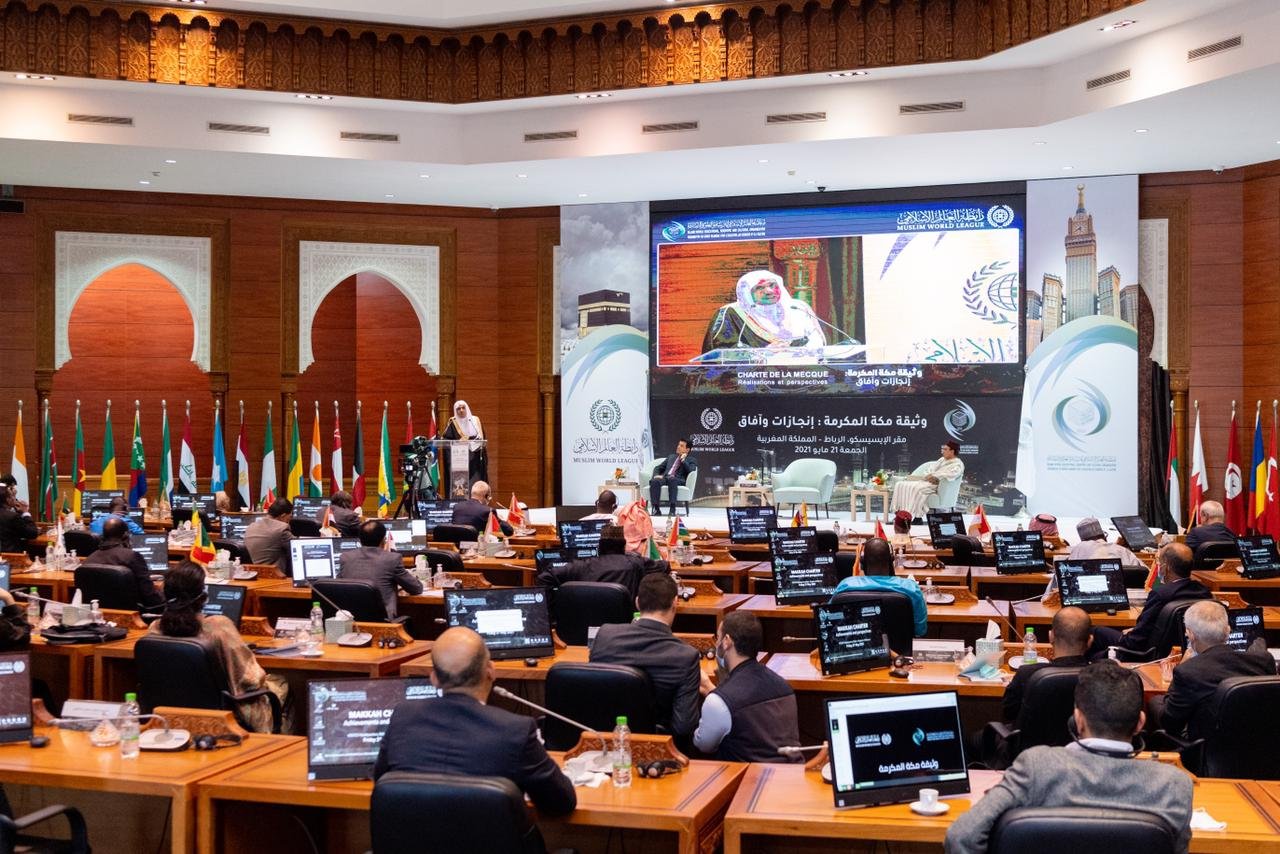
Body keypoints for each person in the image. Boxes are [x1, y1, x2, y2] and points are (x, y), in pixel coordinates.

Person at [945, 660, 1193, 854]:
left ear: (1078, 720)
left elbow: (962, 836)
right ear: (1140, 722)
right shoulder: (1174, 785)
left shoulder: (1037, 766)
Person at [372, 626, 576, 815]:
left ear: (434, 678)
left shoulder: (403, 717)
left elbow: (380, 779)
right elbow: (561, 802)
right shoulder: (515, 731)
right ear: (490, 671)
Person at [149, 561, 291, 732]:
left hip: (167, 718)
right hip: (223, 720)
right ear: (203, 596)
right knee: (283, 683)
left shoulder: (155, 628)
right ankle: (281, 744)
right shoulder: (219, 626)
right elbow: (252, 679)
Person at [589, 573, 704, 736]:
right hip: (657, 745)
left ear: (637, 602)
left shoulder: (605, 635)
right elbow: (684, 728)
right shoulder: (686, 657)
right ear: (675, 603)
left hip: (602, 737)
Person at [1148, 600, 1275, 744]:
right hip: (1263, 749)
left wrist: (1155, 699)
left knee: (1154, 706)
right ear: (1228, 631)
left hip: (1205, 753)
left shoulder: (1188, 672)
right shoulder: (1264, 661)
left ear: (1190, 635)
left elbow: (1169, 722)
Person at [693, 611, 800, 762]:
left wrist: (711, 692)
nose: (716, 644)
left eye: (718, 638)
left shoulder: (718, 701)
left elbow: (703, 744)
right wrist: (714, 689)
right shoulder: (784, 686)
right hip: (791, 771)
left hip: (748, 776)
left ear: (727, 641)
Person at [1091, 543, 1210, 659]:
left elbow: (1136, 641)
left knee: (1096, 632)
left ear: (1166, 567)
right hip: (1185, 652)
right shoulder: (1204, 591)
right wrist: (1136, 631)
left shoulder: (1161, 594)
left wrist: (1132, 633)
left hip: (1145, 653)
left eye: (1159, 563)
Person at [700, 269, 827, 353]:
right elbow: (720, 350)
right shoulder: (732, 312)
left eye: (772, 285)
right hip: (752, 379)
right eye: (759, 288)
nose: (769, 291)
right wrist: (764, 353)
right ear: (747, 293)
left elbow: (817, 340)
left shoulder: (798, 308)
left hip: (802, 373)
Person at [1001, 607, 1092, 723]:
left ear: (1051, 636)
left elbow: (1008, 713)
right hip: (1081, 735)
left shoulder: (1026, 673)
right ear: (1090, 641)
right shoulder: (1101, 675)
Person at [536, 524, 667, 599]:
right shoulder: (636, 563)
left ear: (599, 547)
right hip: (625, 630)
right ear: (623, 546)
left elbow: (544, 578)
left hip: (583, 631)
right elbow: (665, 567)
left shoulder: (581, 566)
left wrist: (554, 611)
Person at [831, 537, 927, 637]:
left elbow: (829, 623)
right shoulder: (911, 588)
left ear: (862, 563)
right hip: (901, 648)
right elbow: (920, 631)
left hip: (855, 646)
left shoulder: (845, 586)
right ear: (891, 560)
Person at [337, 520, 424, 619]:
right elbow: (416, 588)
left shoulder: (346, 557)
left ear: (359, 540)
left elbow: (340, 585)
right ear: (383, 540)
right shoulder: (392, 559)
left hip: (350, 620)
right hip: (383, 621)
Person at [88, 517, 165, 610]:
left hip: (97, 613)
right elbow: (150, 597)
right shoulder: (132, 556)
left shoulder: (90, 559)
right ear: (125, 535)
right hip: (133, 613)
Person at [890, 441, 964, 521]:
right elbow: (930, 470)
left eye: (945, 449)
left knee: (917, 489)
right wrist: (929, 476)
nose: (942, 451)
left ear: (952, 451)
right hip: (928, 481)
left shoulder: (957, 464)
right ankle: (899, 514)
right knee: (900, 485)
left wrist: (936, 477)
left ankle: (916, 517)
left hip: (937, 486)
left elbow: (952, 475)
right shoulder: (941, 460)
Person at [441, 400, 488, 486]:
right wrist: (458, 443)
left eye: (463, 408)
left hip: (475, 459)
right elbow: (446, 441)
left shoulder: (475, 421)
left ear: (467, 409)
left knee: (475, 483)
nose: (461, 410)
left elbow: (482, 439)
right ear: (455, 411)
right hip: (460, 459)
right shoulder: (453, 423)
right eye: (458, 409)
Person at [649, 439, 697, 517]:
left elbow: (691, 471)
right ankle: (656, 509)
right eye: (678, 445)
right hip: (665, 477)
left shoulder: (691, 460)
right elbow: (658, 468)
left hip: (677, 479)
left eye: (681, 446)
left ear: (687, 450)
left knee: (672, 479)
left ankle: (672, 509)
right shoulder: (671, 457)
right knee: (655, 481)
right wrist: (656, 475)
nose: (678, 447)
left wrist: (683, 460)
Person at [1069, 517, 1142, 566]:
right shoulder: (1123, 551)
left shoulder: (1078, 550)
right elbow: (1144, 571)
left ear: (1082, 540)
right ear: (1104, 536)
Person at [244, 498, 294, 570]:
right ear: (283, 516)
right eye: (289, 517)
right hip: (274, 574)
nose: (289, 521)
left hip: (252, 573)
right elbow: (297, 548)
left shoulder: (251, 526)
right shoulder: (281, 529)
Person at [0, 484, 37, 554]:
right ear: (8, 500)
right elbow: (32, 533)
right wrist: (25, 512)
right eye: (13, 496)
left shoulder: (11, 515)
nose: (15, 499)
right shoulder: (12, 517)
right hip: (11, 557)